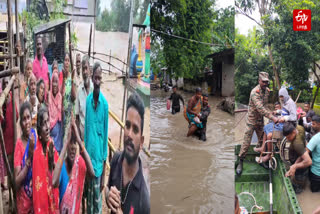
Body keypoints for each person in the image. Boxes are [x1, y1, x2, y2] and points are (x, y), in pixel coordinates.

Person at [105, 93, 150, 214]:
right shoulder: (115, 160)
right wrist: (108, 196)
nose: (129, 134)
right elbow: (107, 189)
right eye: (127, 126)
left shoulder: (144, 200)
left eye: (135, 129)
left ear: (141, 142)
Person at [236, 72, 278, 175]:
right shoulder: (254, 92)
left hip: (260, 120)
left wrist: (271, 112)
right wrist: (272, 117)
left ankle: (261, 160)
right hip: (252, 120)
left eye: (266, 82)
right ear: (259, 81)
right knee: (247, 141)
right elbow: (260, 108)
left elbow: (265, 106)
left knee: (261, 141)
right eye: (263, 81)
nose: (265, 83)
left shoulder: (267, 91)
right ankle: (240, 161)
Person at [52, 115, 95, 213]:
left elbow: (92, 174)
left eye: (74, 143)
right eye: (71, 142)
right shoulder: (61, 166)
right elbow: (54, 182)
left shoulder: (79, 163)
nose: (73, 147)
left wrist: (80, 141)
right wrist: (66, 143)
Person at [84, 62, 109, 214]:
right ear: (92, 79)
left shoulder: (105, 105)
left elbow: (105, 138)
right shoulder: (87, 101)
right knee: (89, 205)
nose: (98, 81)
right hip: (88, 163)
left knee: (97, 207)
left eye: (100, 78)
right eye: (96, 78)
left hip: (99, 167)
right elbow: (86, 134)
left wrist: (104, 175)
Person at [255, 87, 297, 163]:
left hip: (286, 127)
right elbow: (284, 111)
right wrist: (277, 111)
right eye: (280, 97)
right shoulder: (285, 101)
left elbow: (294, 117)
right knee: (266, 127)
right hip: (281, 124)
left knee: (270, 135)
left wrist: (284, 118)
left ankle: (268, 155)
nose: (281, 98)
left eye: (282, 96)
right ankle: (263, 148)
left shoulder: (291, 103)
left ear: (285, 95)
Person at [32, 106, 60, 213]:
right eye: (43, 123)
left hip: (53, 204)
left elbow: (57, 180)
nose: (48, 127)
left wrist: (52, 162)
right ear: (39, 130)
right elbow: (37, 188)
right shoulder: (36, 154)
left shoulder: (51, 146)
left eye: (48, 121)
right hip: (41, 207)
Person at [14, 101, 37, 214]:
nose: (27, 122)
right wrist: (29, 158)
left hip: (36, 198)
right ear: (21, 123)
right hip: (24, 202)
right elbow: (16, 182)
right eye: (24, 119)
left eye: (28, 117)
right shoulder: (19, 146)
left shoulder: (35, 135)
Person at [283, 122, 312, 194]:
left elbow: (309, 161)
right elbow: (305, 142)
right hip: (300, 156)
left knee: (299, 182)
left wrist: (295, 166)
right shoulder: (299, 128)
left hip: (302, 166)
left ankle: (299, 189)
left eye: (289, 137)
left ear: (293, 132)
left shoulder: (297, 144)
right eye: (286, 137)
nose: (287, 139)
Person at [1, 76, 18, 193]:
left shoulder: (12, 99)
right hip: (5, 144)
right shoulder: (2, 104)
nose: (7, 85)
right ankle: (11, 197)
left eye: (8, 83)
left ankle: (14, 197)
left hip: (13, 141)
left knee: (13, 171)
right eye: (5, 84)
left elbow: (16, 115)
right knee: (9, 171)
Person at [75, 55, 93, 140]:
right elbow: (77, 117)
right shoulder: (79, 91)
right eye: (83, 69)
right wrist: (78, 136)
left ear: (90, 70)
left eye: (86, 68)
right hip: (83, 138)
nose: (85, 72)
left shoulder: (95, 90)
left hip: (93, 135)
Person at [61, 54, 76, 140]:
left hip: (70, 118)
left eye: (68, 61)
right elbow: (60, 95)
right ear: (63, 63)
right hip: (63, 118)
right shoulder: (61, 77)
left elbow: (74, 97)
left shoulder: (72, 78)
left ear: (70, 63)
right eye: (65, 60)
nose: (66, 62)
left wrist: (73, 80)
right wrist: (63, 79)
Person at [48, 71, 63, 153]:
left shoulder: (60, 98)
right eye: (53, 81)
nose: (54, 84)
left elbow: (61, 120)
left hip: (59, 138)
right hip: (50, 138)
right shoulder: (48, 97)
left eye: (56, 82)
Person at [306, 119, 320, 192]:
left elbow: (306, 153)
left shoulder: (315, 138)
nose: (312, 125)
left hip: (316, 173)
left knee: (314, 191)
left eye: (314, 124)